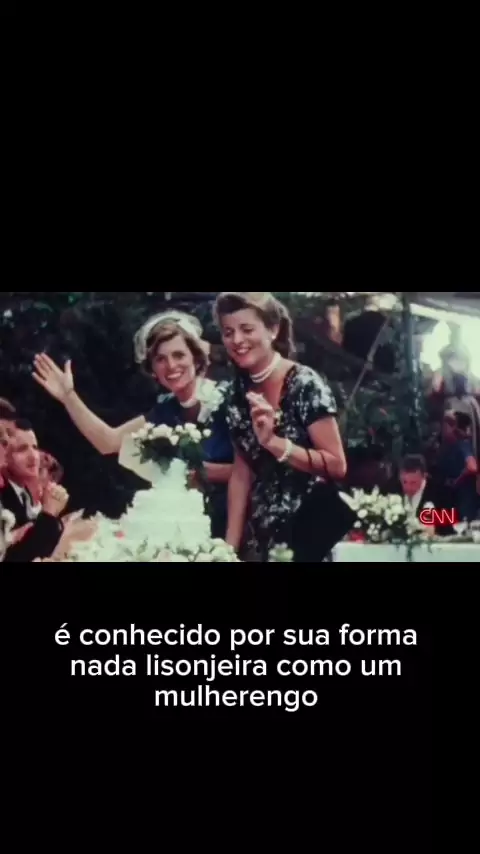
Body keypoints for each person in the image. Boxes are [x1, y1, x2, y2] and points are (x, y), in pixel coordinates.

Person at [33, 312, 233, 538]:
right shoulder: (165, 410)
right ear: (153, 369)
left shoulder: (228, 400)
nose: (171, 365)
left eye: (179, 355)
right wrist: (68, 396)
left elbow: (256, 469)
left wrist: (201, 472)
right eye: (160, 359)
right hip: (191, 526)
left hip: (239, 522)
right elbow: (107, 442)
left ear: (196, 359)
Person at [215, 292, 350, 561]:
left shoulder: (305, 384)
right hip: (260, 540)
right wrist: (228, 550)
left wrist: (275, 444)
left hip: (309, 536)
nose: (237, 340)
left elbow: (337, 465)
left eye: (247, 329)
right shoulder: (235, 393)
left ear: (273, 329)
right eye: (228, 332)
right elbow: (241, 474)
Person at [1, 419, 69, 562]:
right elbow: (19, 557)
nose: (33, 456)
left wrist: (51, 514)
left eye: (35, 447)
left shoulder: (23, 492)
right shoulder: (3, 496)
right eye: (22, 449)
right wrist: (49, 513)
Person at [436, 411, 478, 522]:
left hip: (464, 494)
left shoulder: (462, 444)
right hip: (450, 493)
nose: (443, 429)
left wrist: (457, 480)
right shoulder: (447, 445)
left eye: (446, 426)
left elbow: (472, 467)